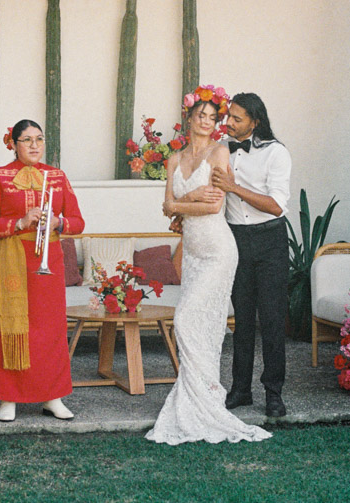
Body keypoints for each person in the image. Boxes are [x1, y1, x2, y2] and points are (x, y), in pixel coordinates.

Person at [147, 87, 271, 445]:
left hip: (218, 250)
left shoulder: (220, 152)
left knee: (187, 319)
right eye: (200, 115)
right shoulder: (174, 159)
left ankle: (208, 397)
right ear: (189, 118)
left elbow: (213, 206)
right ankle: (193, 397)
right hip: (193, 252)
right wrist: (184, 200)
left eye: (212, 117)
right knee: (199, 325)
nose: (206, 120)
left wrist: (179, 203)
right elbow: (165, 206)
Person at [0, 120, 85, 422]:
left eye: (39, 139)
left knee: (49, 331)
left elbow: (77, 221)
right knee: (10, 327)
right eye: (26, 140)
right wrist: (19, 223)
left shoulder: (57, 176)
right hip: (12, 258)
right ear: (12, 144)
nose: (35, 145)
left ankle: (52, 396)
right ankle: (8, 397)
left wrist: (58, 223)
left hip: (48, 261)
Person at [210, 92, 291, 417]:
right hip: (235, 240)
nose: (229, 122)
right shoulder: (221, 151)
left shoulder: (276, 153)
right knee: (241, 320)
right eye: (229, 116)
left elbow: (276, 206)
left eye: (237, 118)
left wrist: (234, 187)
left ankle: (273, 393)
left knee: (271, 320)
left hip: (269, 240)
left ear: (255, 122)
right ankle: (240, 390)